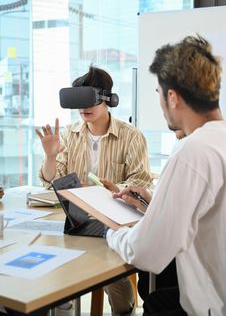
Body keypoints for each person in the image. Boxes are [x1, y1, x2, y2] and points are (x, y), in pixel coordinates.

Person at [106, 35, 226, 315]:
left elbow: (147, 252)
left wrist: (112, 231)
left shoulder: (193, 150)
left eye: (159, 95)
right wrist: (155, 201)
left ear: (173, 97)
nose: (161, 104)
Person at [36, 66, 153, 316]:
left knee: (112, 273)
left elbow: (141, 181)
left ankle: (125, 311)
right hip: (76, 220)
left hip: (115, 222)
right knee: (50, 261)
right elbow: (50, 181)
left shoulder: (132, 136)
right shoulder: (69, 134)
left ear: (108, 99)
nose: (83, 109)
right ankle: (63, 305)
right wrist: (49, 156)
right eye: (78, 102)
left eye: (88, 100)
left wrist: (116, 189)